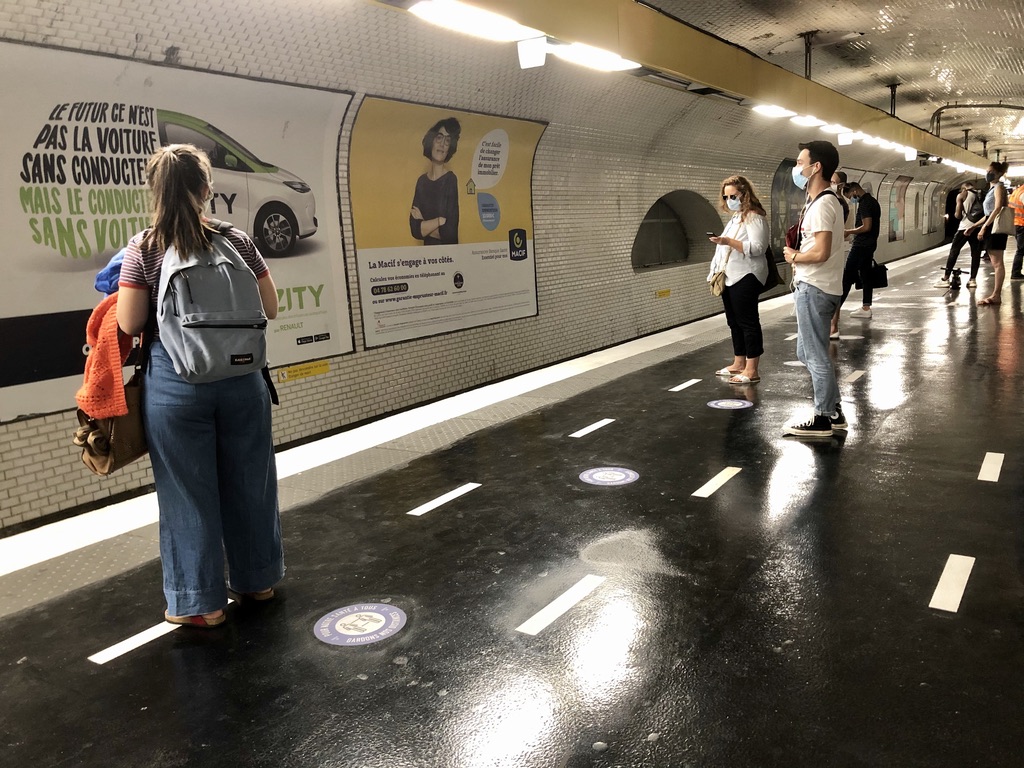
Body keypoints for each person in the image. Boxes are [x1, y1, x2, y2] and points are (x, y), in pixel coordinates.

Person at [117, 144, 284, 627]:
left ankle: (200, 604)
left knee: (187, 492)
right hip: (243, 380)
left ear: (156, 190)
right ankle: (258, 581)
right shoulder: (236, 240)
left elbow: (130, 324)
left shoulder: (144, 247)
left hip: (177, 384)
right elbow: (270, 307)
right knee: (251, 483)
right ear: (206, 188)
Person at [781, 140, 847, 438]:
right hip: (820, 286)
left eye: (800, 163)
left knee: (815, 354)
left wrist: (793, 256)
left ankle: (823, 417)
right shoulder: (824, 201)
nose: (797, 168)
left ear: (815, 167)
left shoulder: (823, 205)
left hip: (815, 286)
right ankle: (833, 409)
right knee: (805, 350)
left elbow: (820, 252)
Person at [707, 175, 770, 384]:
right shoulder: (736, 217)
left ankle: (752, 370)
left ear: (745, 194)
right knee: (734, 321)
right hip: (730, 276)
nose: (729, 201)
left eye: (733, 196)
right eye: (726, 197)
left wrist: (727, 241)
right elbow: (721, 251)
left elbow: (758, 248)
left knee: (748, 322)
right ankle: (738, 362)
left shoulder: (755, 217)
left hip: (747, 275)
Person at [831, 181, 881, 336]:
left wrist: (849, 231)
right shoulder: (873, 201)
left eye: (850, 196)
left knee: (847, 277)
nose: (851, 199)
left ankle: (834, 314)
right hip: (870, 244)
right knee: (866, 275)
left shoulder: (865, 204)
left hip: (861, 245)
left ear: (854, 191)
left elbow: (866, 226)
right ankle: (866, 307)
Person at [410, 117, 461, 245]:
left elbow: (450, 235)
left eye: (448, 140)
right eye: (439, 137)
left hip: (449, 257)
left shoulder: (450, 180)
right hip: (428, 257)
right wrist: (439, 221)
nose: (442, 144)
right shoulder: (421, 182)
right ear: (431, 141)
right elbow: (414, 230)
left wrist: (424, 223)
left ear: (450, 148)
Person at [935, 182, 983, 289]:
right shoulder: (979, 194)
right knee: (975, 254)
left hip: (965, 227)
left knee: (954, 251)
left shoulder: (963, 194)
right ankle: (972, 280)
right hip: (977, 226)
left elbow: (958, 215)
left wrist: (959, 200)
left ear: (963, 188)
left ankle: (946, 278)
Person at [977, 161, 1010, 306]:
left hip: (995, 228)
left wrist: (984, 227)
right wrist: (974, 226)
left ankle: (996, 295)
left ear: (999, 174)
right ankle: (995, 294)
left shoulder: (999, 187)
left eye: (991, 172)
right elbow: (987, 213)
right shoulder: (991, 189)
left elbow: (997, 209)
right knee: (995, 262)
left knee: (997, 263)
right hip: (991, 226)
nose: (988, 174)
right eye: (987, 171)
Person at [1008, 181, 1024, 281]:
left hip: (1016, 223)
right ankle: (1015, 272)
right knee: (1021, 250)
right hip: (1022, 224)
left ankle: (1016, 272)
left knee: (1021, 249)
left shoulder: (1017, 191)